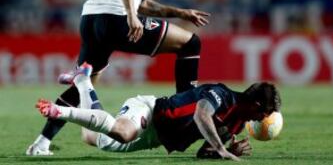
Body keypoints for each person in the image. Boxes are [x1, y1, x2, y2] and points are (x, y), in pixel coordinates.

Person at [26, 0, 210, 156]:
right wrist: (132, 17)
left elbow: (140, 0)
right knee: (191, 44)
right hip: (116, 19)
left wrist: (180, 13)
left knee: (85, 84)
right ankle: (183, 119)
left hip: (91, 18)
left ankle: (41, 143)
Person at [35, 63, 281, 160]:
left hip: (156, 138)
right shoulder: (222, 94)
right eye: (266, 113)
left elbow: (202, 155)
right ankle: (60, 111)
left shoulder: (236, 125)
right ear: (257, 106)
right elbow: (201, 115)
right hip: (151, 110)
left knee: (91, 137)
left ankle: (82, 81)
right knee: (124, 131)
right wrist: (221, 148)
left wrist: (224, 151)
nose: (264, 119)